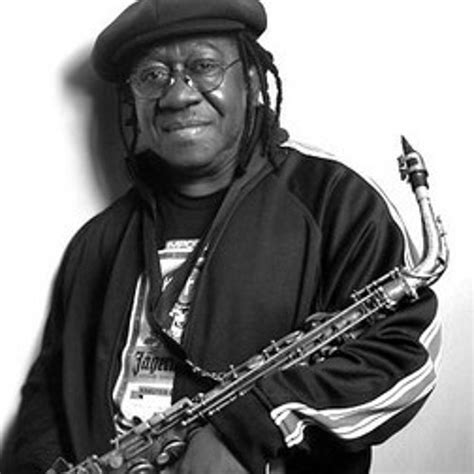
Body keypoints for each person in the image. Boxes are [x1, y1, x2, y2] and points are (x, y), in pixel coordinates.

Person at [2, 0, 440, 473]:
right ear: (132, 101)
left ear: (251, 81)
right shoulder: (98, 240)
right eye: (152, 76)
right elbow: (50, 393)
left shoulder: (335, 199)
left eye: (203, 66)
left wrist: (249, 428)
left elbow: (405, 354)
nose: (177, 95)